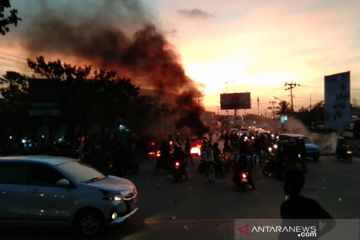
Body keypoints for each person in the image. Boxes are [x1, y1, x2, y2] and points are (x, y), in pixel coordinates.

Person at [279, 169, 336, 239]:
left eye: (284, 184)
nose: (283, 187)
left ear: (289, 187)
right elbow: (331, 222)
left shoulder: (286, 206)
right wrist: (318, 235)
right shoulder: (312, 204)